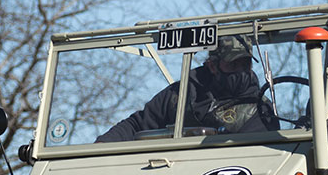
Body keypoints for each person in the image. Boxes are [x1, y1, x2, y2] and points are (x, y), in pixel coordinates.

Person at [97, 36, 277, 142]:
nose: (240, 71)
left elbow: (253, 157)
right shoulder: (181, 94)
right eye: (233, 65)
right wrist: (100, 148)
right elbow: (137, 124)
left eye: (245, 65)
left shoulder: (259, 109)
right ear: (212, 66)